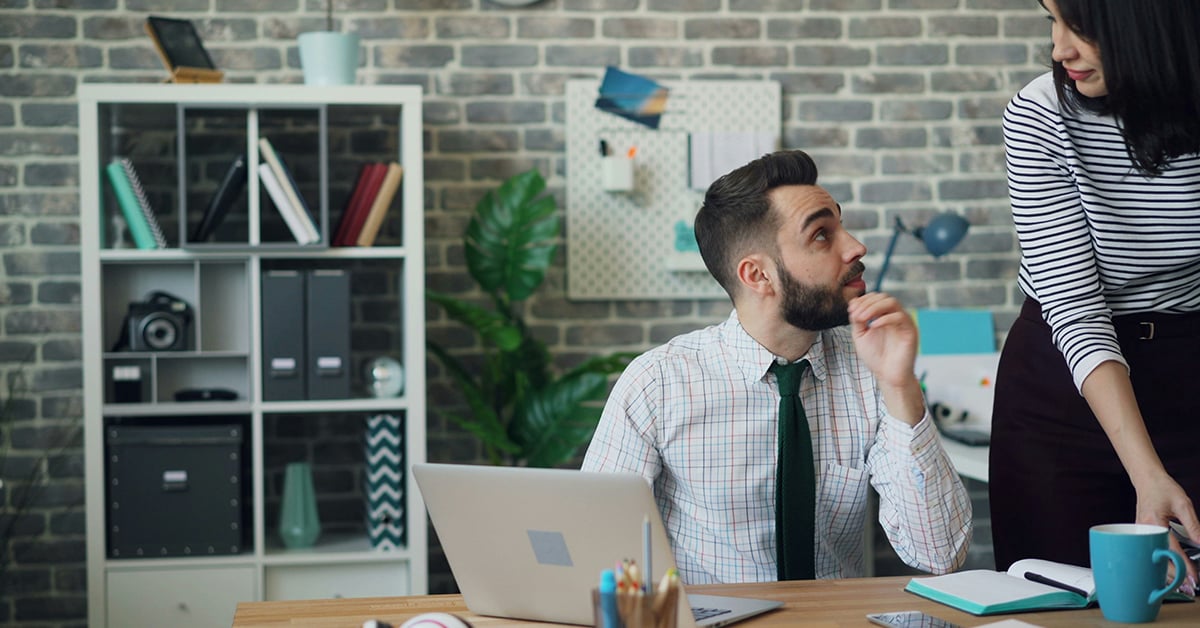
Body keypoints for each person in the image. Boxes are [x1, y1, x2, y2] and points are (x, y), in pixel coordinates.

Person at [581, 149, 972, 584]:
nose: (857, 247)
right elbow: (599, 549)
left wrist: (899, 385)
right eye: (822, 235)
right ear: (758, 276)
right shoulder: (657, 384)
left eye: (840, 225)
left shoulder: (871, 373)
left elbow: (940, 554)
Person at [989, 0, 1200, 593]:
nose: (1060, 49)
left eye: (1081, 26)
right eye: (1050, 21)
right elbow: (1077, 309)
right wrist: (1147, 474)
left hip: (1187, 367)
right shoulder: (1040, 114)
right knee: (1057, 601)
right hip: (1064, 386)